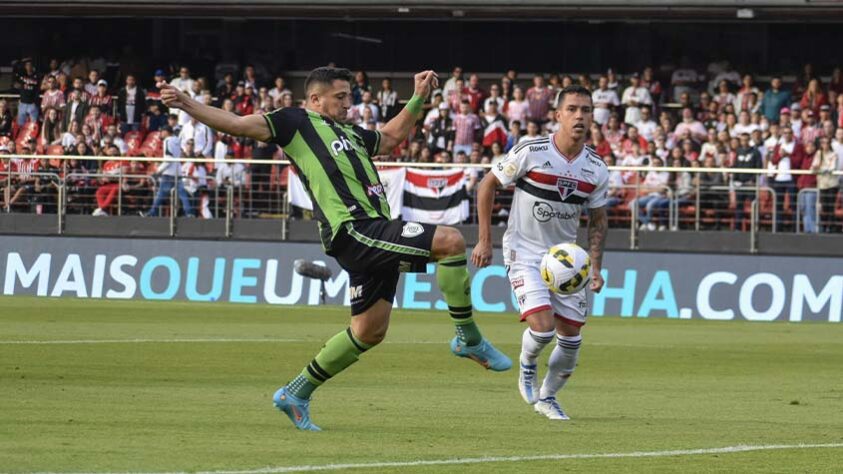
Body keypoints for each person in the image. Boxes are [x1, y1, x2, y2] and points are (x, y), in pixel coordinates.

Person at [159, 66, 511, 431]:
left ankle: (295, 393)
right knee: (450, 241)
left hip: (372, 230)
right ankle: (467, 339)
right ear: (315, 99)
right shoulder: (295, 122)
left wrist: (419, 96)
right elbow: (237, 123)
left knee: (368, 331)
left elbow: (390, 137)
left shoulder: (351, 133)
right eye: (340, 97)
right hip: (354, 229)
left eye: (349, 96)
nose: (349, 103)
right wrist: (187, 103)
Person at [471, 85, 609, 421]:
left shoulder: (596, 167)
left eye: (586, 110)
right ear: (558, 115)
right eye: (573, 109)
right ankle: (527, 365)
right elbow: (487, 185)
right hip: (524, 251)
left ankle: (548, 398)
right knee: (543, 328)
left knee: (572, 338)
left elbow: (598, 221)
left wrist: (595, 267)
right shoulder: (530, 151)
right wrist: (484, 240)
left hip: (567, 261)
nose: (580, 115)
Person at [141, 126, 193, 217]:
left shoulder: (168, 141)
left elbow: (168, 159)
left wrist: (158, 171)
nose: (161, 133)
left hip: (169, 172)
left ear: (166, 132)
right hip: (178, 171)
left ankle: (152, 212)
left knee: (161, 194)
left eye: (162, 131)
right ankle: (189, 213)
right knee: (182, 194)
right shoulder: (177, 140)